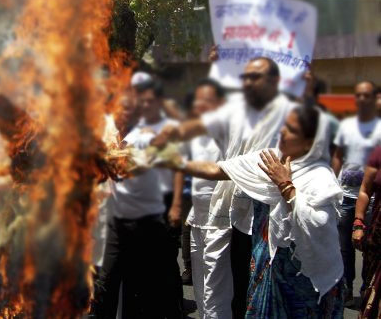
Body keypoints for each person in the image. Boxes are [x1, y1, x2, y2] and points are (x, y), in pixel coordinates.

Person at [152, 57, 297, 318]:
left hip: (267, 217)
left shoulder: (286, 119)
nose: (248, 82)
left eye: (257, 77)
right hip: (233, 215)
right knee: (224, 286)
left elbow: (223, 169)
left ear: (275, 82)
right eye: (246, 77)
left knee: (259, 291)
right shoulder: (237, 115)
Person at [169, 105, 344, 317]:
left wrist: (285, 185)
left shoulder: (320, 178)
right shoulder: (270, 159)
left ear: (310, 142)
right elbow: (216, 169)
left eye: (291, 129)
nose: (282, 132)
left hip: (305, 283)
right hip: (269, 271)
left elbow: (316, 225)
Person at [93, 87, 183, 318]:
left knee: (140, 280)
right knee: (107, 276)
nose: (123, 112)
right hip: (115, 214)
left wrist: (175, 206)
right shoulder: (106, 131)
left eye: (128, 108)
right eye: (120, 108)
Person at [182, 79, 230, 319]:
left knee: (214, 288)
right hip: (197, 218)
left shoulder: (228, 132)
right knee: (200, 284)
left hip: (219, 220)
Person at [331, 80, 381, 305]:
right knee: (344, 247)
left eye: (367, 95)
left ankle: (366, 288)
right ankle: (346, 289)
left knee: (370, 248)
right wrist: (332, 182)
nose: (362, 99)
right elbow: (338, 156)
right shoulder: (347, 126)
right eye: (358, 95)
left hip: (371, 199)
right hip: (345, 196)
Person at [353, 145, 381, 318]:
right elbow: (365, 190)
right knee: (372, 286)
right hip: (378, 236)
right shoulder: (379, 152)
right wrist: (358, 222)